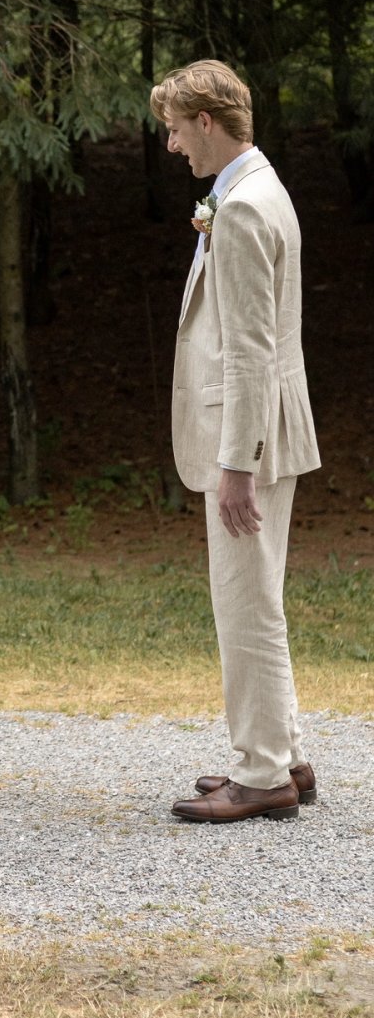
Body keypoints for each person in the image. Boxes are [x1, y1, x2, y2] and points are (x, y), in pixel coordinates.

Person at [151, 61, 320, 824]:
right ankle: (283, 756)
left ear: (209, 124)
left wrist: (236, 466)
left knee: (244, 604)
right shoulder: (257, 190)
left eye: (177, 129)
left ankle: (262, 776)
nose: (172, 144)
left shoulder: (245, 208)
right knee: (259, 598)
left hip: (247, 438)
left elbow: (250, 349)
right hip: (261, 428)